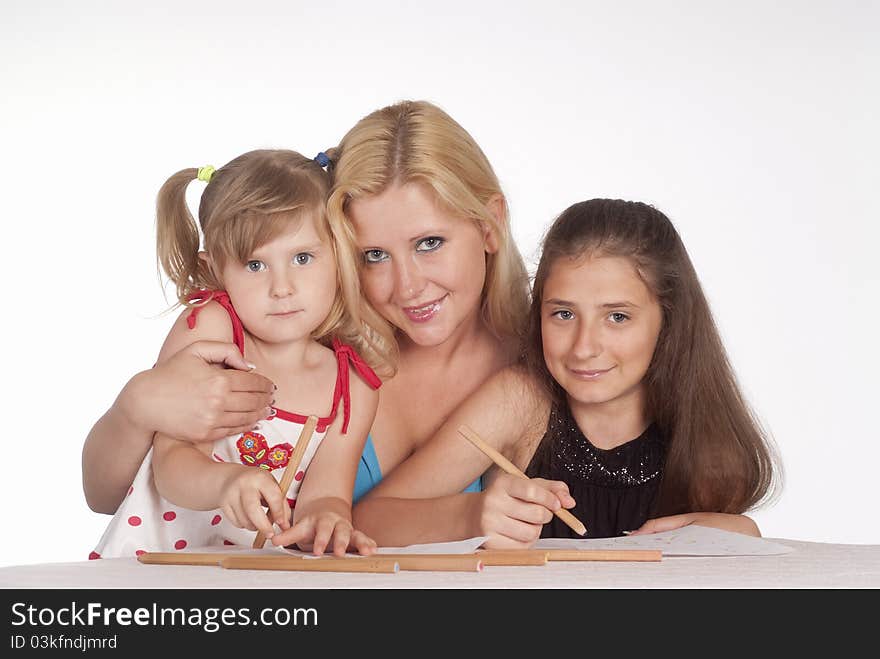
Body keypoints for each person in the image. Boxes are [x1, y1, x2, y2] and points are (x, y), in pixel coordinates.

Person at [82, 100, 533, 540]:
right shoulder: (287, 332)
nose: (408, 286)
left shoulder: (543, 367)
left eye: (430, 243)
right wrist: (137, 404)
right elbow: (108, 494)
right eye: (373, 255)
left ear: (490, 224)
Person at [352, 199, 781, 548]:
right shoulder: (520, 401)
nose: (584, 347)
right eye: (562, 314)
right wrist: (471, 513)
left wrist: (738, 535)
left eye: (616, 317)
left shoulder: (695, 429)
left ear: (669, 320)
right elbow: (370, 517)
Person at [90, 149, 390, 559]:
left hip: (256, 582)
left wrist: (326, 520)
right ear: (214, 268)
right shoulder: (212, 332)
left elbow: (328, 493)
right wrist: (225, 482)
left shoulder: (352, 385)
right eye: (254, 265)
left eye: (302, 258)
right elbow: (171, 463)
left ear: (339, 255)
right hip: (155, 570)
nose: (281, 287)